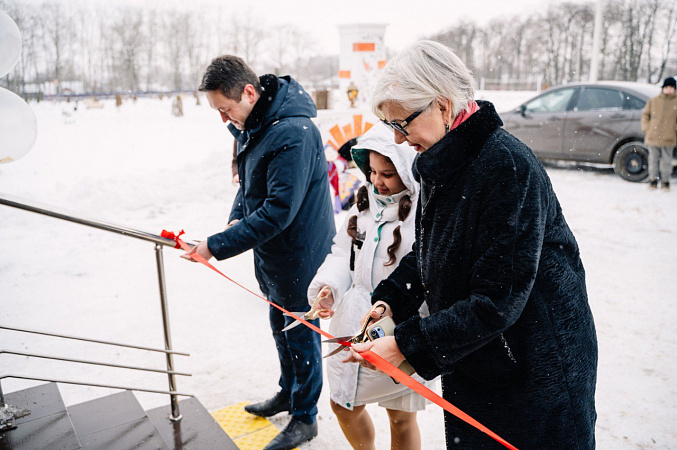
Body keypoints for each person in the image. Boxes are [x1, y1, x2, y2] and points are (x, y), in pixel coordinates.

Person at [344, 40, 598, 449]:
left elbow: (498, 299)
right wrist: (390, 301)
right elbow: (431, 249)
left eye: (402, 123)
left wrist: (409, 344)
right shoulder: (440, 160)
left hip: (534, 368)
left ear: (442, 106)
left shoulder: (506, 167)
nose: (400, 137)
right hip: (482, 360)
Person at [183, 55, 335, 450]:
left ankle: (305, 418)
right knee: (279, 328)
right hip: (272, 254)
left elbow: (279, 210)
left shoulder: (293, 132)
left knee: (301, 335)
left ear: (249, 92)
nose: (223, 119)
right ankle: (289, 392)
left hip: (300, 254)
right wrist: (235, 220)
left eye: (225, 109)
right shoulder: (252, 124)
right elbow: (248, 186)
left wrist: (216, 245)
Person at [308, 123, 433, 450]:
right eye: (372, 171)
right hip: (355, 320)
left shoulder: (424, 212)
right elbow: (342, 252)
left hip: (400, 326)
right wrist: (329, 288)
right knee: (343, 402)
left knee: (401, 415)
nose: (377, 181)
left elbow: (428, 270)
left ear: (406, 171)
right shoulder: (364, 203)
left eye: (388, 173)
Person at [642, 76, 677, 191]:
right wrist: (647, 128)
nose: (669, 90)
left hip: (669, 137)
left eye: (671, 88)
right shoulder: (654, 101)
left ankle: (665, 182)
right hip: (653, 136)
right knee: (653, 160)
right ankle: (653, 180)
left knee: (666, 162)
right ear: (663, 88)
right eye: (666, 87)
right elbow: (645, 115)